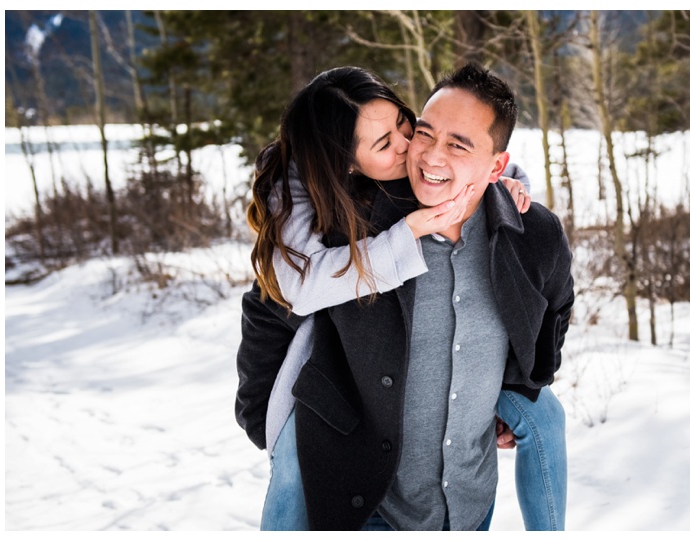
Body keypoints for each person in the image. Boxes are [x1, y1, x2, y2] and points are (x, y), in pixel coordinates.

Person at [236, 65, 572, 531]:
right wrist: (261, 420)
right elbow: (271, 306)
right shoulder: (344, 226)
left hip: (470, 506)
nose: (421, 153)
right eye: (424, 136)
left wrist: (510, 390)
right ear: (350, 162)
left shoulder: (526, 228)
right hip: (373, 506)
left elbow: (550, 314)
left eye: (405, 127)